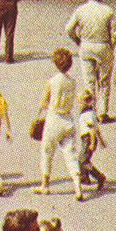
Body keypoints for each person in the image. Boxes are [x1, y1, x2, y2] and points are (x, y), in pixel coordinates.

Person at [34, 48, 83, 200]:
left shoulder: (51, 81)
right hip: (67, 119)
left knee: (47, 152)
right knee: (70, 154)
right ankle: (77, 186)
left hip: (53, 118)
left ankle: (45, 185)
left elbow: (43, 102)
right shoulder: (72, 82)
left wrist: (38, 115)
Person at [64, 0, 115, 120]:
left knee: (89, 81)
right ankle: (103, 112)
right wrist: (111, 47)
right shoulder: (108, 10)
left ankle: (90, 110)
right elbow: (115, 34)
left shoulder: (80, 10)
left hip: (86, 45)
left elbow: (68, 29)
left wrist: (78, 40)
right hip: (103, 45)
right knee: (104, 81)